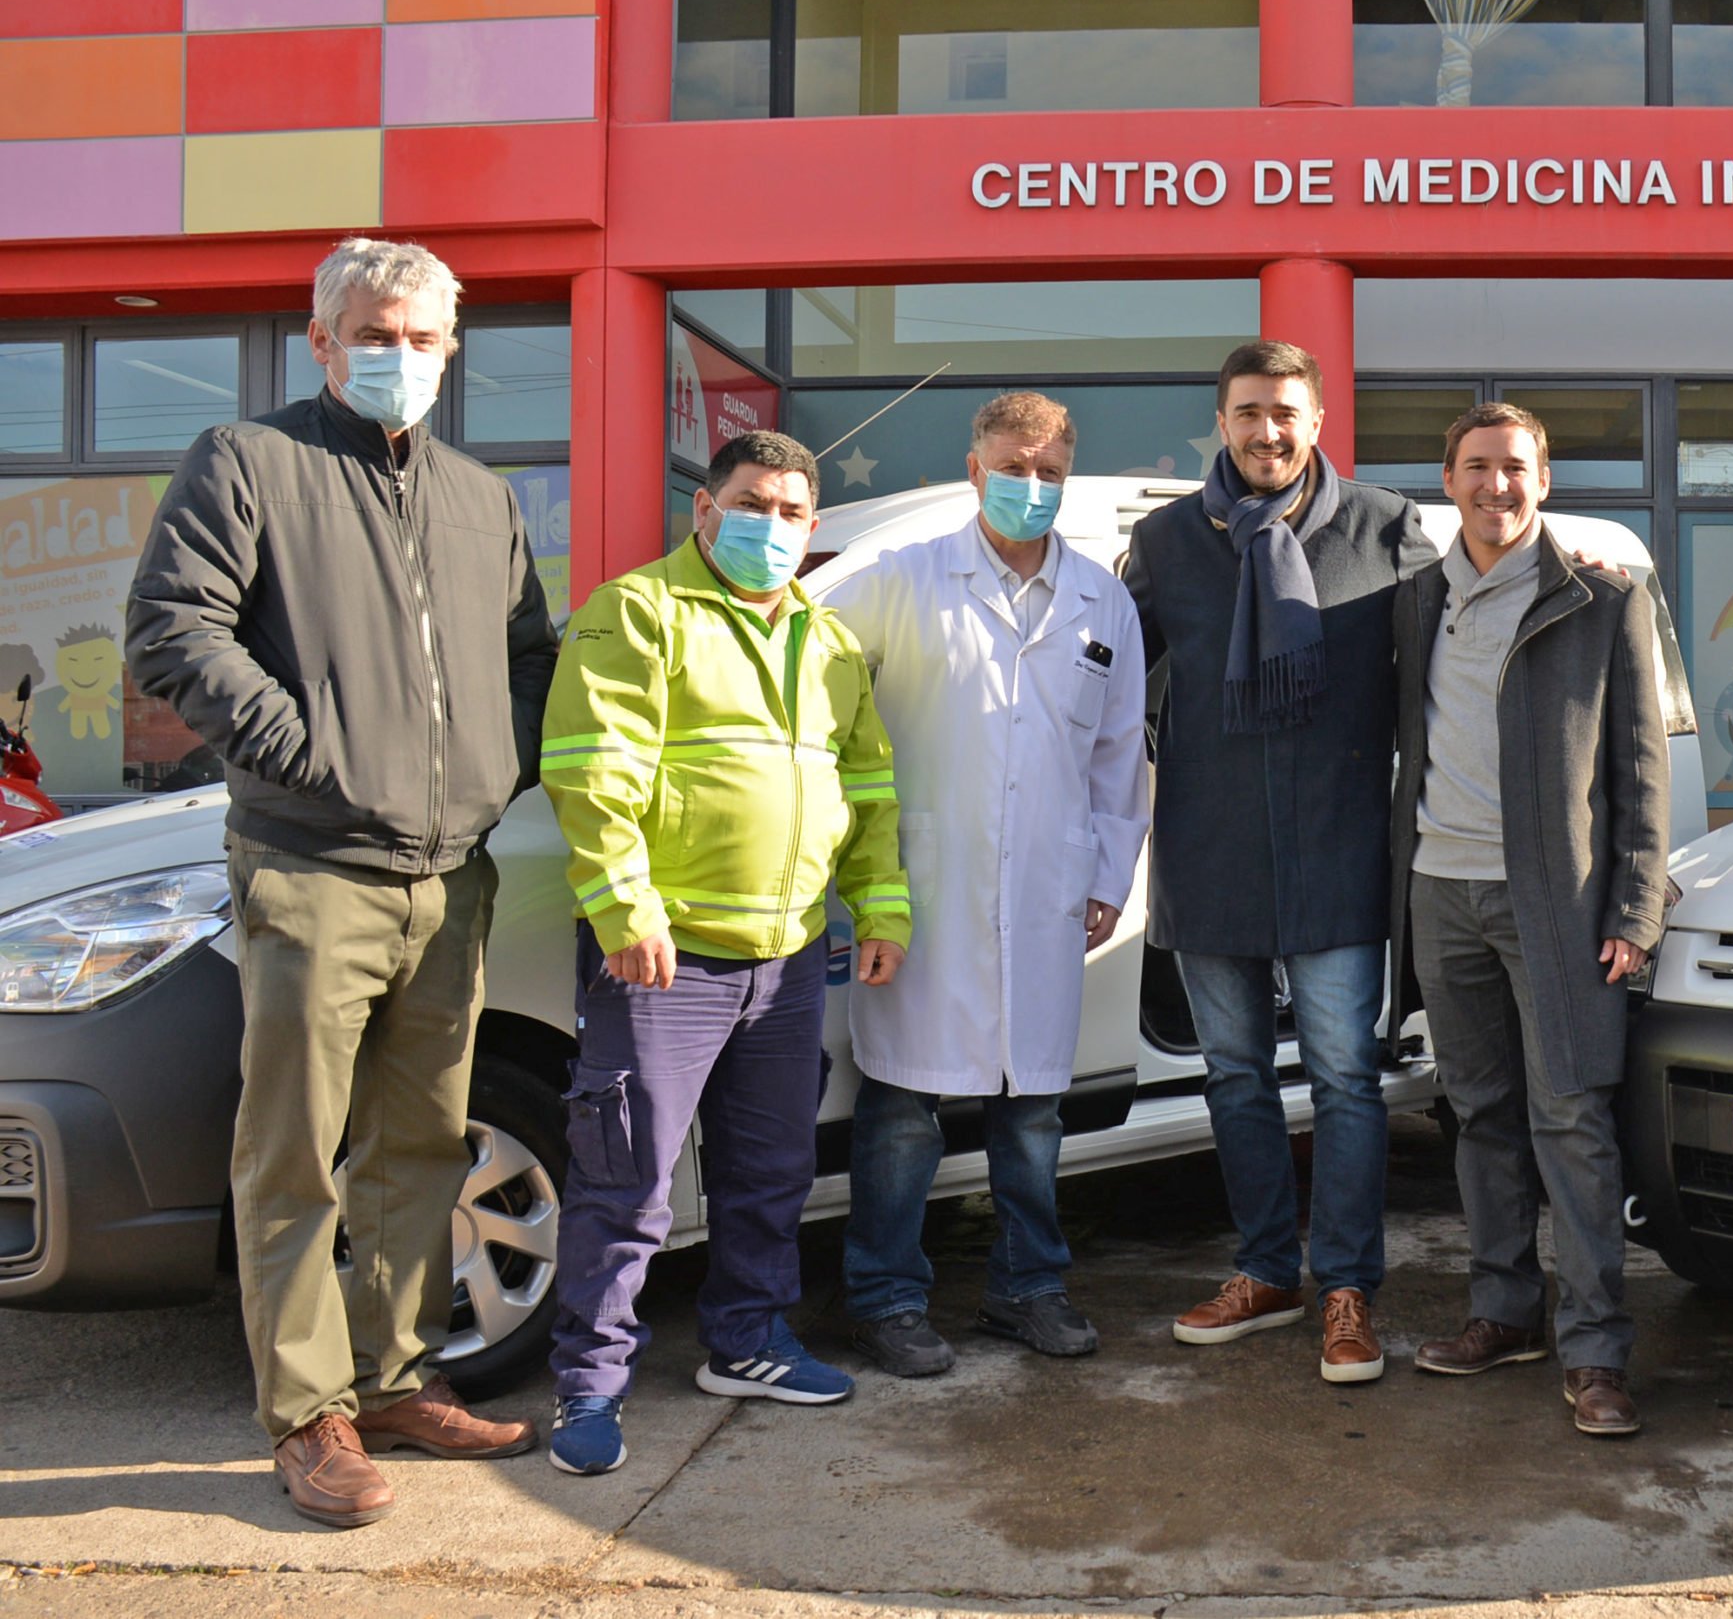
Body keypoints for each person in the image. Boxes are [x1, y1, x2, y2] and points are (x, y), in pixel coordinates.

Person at [125, 238, 557, 1527]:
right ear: (322, 342)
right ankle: (307, 1413)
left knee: (419, 1143)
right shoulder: (248, 462)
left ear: (452, 349)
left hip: (450, 875)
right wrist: (313, 759)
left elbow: (528, 654)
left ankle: (393, 1378)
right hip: (310, 867)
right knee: (295, 1151)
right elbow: (172, 627)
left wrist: (491, 775)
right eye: (376, 335)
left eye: (423, 338)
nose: (400, 358)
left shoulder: (481, 497)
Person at [539, 429, 910, 1476]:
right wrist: (625, 910)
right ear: (704, 509)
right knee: (628, 1181)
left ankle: (746, 1340)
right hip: (667, 959)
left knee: (770, 1171)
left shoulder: (829, 644)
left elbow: (867, 791)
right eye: (752, 504)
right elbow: (590, 770)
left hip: (788, 960)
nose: (771, 526)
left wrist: (881, 910)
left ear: (813, 526)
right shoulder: (637, 612)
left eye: (791, 511)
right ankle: (590, 1382)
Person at [1121, 340, 1436, 1385]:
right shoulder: (1166, 540)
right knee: (1234, 1074)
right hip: (1208, 851)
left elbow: (1460, 640)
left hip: (1338, 848)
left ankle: (1346, 1286)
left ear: (1317, 422)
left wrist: (1575, 583)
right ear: (1221, 422)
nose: (1267, 431)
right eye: (1249, 412)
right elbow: (1102, 674)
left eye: (1286, 412)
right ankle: (1265, 1271)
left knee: (1346, 1077)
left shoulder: (1384, 526)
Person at [832, 392, 1149, 1376]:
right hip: (926, 886)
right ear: (975, 469)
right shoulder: (905, 577)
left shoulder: (1101, 600)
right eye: (1013, 467)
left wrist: (1109, 871)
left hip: (1049, 886)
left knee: (1034, 1110)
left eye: (1049, 472)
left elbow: (1118, 753)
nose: (1031, 486)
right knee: (901, 1107)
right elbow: (804, 657)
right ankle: (885, 1297)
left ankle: (1027, 1288)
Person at [1387, 403, 1671, 1436]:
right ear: (1448, 480)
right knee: (1478, 1116)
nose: (1494, 485)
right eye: (1475, 466)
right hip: (1439, 890)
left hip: (1556, 902)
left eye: (1513, 467)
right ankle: (1504, 1312)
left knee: (1572, 1119)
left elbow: (1642, 768)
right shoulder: (1417, 599)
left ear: (1542, 480)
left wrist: (1635, 906)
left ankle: (1596, 1350)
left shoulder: (1603, 598)